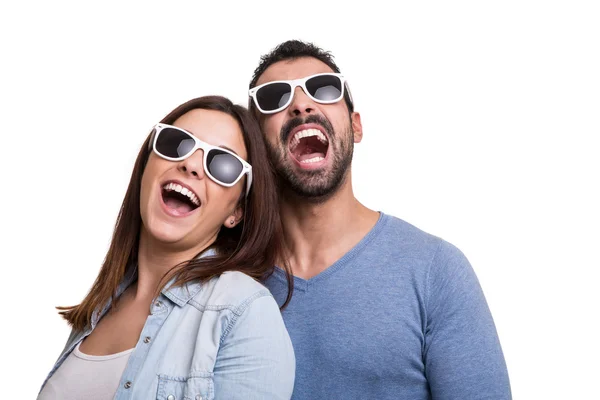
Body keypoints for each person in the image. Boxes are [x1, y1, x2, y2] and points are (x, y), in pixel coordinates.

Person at [248, 40, 512, 399]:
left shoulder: (436, 269)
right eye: (274, 98)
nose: (301, 104)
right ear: (255, 146)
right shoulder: (229, 277)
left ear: (356, 127)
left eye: (323, 89)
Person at [38, 96, 295, 400]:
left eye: (223, 165)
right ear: (146, 166)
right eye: (176, 143)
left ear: (236, 212)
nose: (190, 165)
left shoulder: (245, 311)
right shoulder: (100, 307)